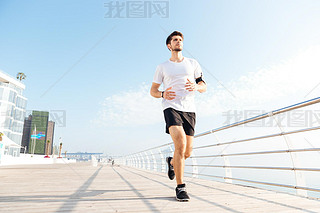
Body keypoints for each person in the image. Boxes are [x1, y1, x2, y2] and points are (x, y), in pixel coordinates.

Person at [150, 31, 207, 202]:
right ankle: (180, 187)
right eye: (175, 40)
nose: (179, 42)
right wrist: (162, 94)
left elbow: (203, 85)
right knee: (180, 144)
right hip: (171, 106)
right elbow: (152, 91)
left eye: (180, 40)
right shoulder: (162, 67)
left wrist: (196, 88)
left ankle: (172, 162)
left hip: (189, 109)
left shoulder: (192, 63)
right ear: (169, 45)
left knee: (187, 152)